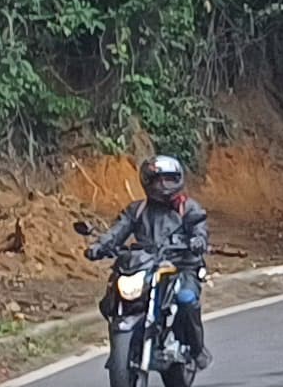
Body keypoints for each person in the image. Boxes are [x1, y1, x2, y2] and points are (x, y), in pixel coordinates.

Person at [88, 154, 211, 366]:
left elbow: (199, 228)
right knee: (111, 299)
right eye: (157, 180)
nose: (163, 185)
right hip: (145, 264)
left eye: (168, 179)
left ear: (178, 179)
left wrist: (198, 240)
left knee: (186, 299)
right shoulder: (137, 210)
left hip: (181, 265)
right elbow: (118, 230)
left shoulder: (188, 208)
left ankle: (197, 349)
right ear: (147, 182)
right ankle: (122, 347)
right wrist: (100, 245)